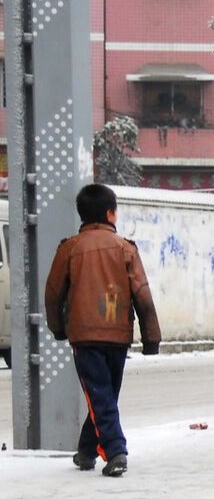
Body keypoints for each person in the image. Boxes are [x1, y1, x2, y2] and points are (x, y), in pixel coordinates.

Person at [45, 183, 161, 478]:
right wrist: (151, 338)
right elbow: (143, 295)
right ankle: (97, 450)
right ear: (112, 214)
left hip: (84, 336)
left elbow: (53, 293)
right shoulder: (126, 248)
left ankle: (111, 451)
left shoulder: (69, 248)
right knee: (105, 395)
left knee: (100, 395)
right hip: (119, 334)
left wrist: (58, 328)